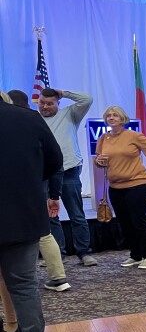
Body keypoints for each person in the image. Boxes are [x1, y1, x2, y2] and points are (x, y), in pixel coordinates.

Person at [0, 91, 63, 332]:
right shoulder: (27, 118)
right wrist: (28, 177)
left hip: (20, 215)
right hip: (21, 215)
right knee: (24, 287)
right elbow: (55, 160)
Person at [6, 90, 70, 291]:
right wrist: (52, 193)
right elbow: (56, 161)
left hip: (11, 190)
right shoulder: (34, 120)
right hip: (34, 188)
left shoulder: (10, 122)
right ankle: (59, 277)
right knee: (44, 232)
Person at [94, 106, 146, 269]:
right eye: (108, 115)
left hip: (137, 185)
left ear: (122, 118)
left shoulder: (133, 136)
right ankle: (135, 255)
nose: (111, 117)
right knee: (124, 222)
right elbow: (98, 159)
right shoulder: (103, 138)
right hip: (115, 187)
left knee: (138, 221)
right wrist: (99, 161)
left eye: (115, 115)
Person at [38, 87, 97, 266]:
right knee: (51, 217)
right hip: (45, 173)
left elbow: (87, 99)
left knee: (76, 214)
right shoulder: (33, 119)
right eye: (42, 103)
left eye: (50, 103)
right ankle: (57, 255)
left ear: (58, 103)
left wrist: (63, 93)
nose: (45, 107)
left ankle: (84, 253)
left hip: (69, 170)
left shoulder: (70, 114)